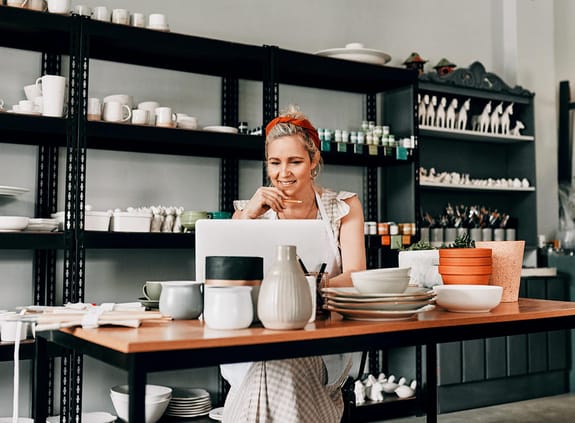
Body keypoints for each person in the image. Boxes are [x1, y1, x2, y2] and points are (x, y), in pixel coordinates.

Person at [222, 105, 366, 422]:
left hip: (322, 339)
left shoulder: (344, 206)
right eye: (275, 162)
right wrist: (248, 217)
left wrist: (307, 287)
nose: (283, 172)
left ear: (314, 162)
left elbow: (356, 276)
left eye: (295, 162)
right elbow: (227, 281)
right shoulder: (247, 212)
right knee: (272, 358)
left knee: (280, 362)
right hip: (258, 339)